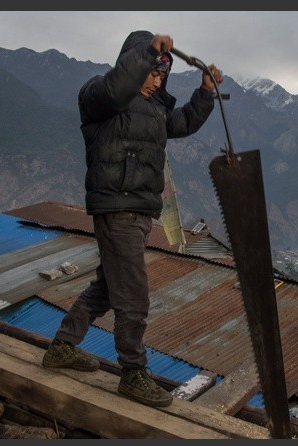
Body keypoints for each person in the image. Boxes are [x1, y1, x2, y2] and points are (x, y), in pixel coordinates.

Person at [41, 30, 224, 408]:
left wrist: (205, 92)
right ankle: (132, 373)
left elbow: (184, 123)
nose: (157, 79)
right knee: (134, 298)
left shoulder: (155, 109)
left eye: (162, 74)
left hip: (140, 211)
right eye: (151, 71)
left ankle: (61, 346)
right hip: (117, 207)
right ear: (133, 62)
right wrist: (147, 53)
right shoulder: (100, 97)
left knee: (109, 288)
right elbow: (115, 88)